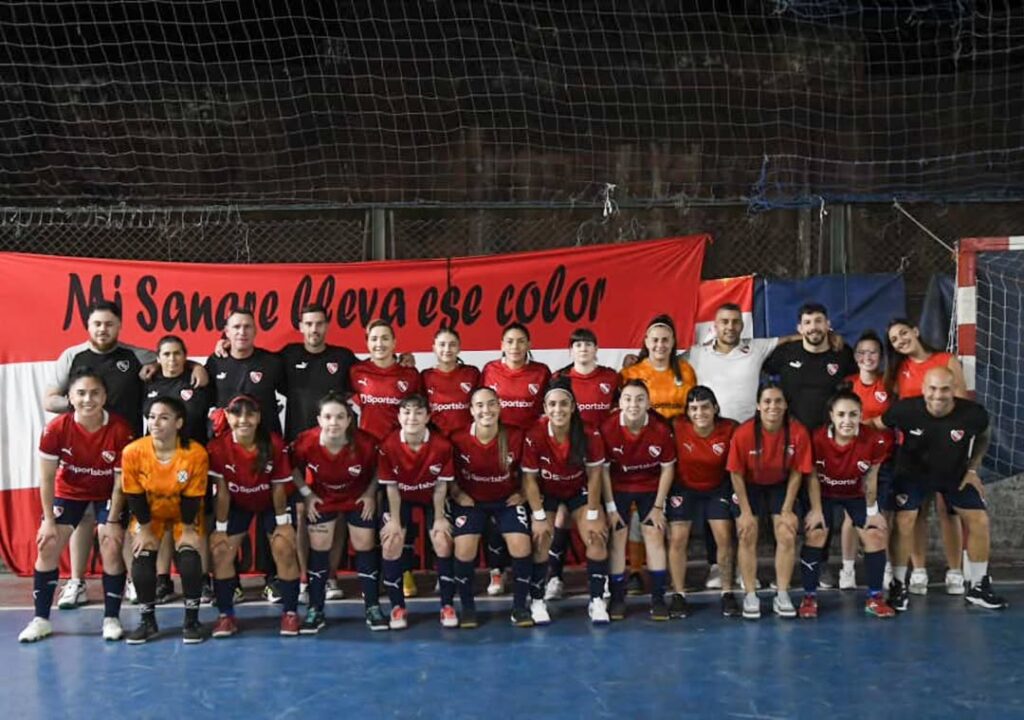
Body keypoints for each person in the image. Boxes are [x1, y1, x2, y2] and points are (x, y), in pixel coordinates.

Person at [43, 300, 202, 610]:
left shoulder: (135, 355)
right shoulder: (72, 356)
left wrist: (196, 367)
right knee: (85, 517)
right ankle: (77, 582)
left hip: (124, 451)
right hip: (83, 448)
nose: (103, 329)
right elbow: (50, 399)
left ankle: (133, 579)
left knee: (122, 518)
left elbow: (172, 360)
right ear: (88, 326)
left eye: (109, 324)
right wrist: (84, 405)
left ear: (119, 326)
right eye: (97, 324)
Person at [19, 370, 134, 643]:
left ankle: (111, 618)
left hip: (107, 493)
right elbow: (46, 478)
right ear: (69, 397)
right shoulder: (56, 429)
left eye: (95, 393)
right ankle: (41, 619)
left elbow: (120, 483)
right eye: (81, 393)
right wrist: (48, 519)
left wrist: (114, 520)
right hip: (69, 493)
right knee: (47, 544)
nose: (88, 399)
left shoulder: (120, 429)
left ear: (105, 397)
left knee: (111, 543)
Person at [882, 367, 1007, 611]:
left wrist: (973, 469)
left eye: (944, 389)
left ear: (954, 391)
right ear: (923, 389)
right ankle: (898, 584)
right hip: (912, 475)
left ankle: (979, 586)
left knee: (979, 519)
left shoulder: (972, 414)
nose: (938, 395)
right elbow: (877, 426)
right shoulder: (905, 410)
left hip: (955, 476)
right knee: (904, 519)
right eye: (932, 388)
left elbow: (983, 436)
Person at [762, 302, 855, 588]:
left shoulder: (842, 355)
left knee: (821, 506)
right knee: (786, 502)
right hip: (789, 441)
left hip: (827, 443)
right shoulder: (785, 354)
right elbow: (763, 369)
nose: (814, 327)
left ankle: (820, 562)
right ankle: (781, 564)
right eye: (808, 323)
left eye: (819, 321)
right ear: (799, 328)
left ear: (828, 324)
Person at [206, 395, 301, 637]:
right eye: (237, 414)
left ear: (258, 418)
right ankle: (226, 616)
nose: (243, 420)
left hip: (271, 502)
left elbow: (279, 487)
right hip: (238, 503)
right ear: (227, 416)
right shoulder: (217, 447)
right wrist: (219, 527)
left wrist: (283, 524)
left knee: (285, 548)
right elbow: (223, 492)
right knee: (220, 551)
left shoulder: (274, 443)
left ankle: (290, 613)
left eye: (250, 414)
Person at [885, 318, 968, 596]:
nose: (900, 341)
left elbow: (963, 405)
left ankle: (955, 570)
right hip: (913, 454)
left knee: (949, 510)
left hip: (948, 451)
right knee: (915, 511)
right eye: (895, 339)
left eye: (903, 333)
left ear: (916, 331)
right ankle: (918, 569)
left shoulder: (946, 360)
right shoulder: (898, 371)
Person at [289, 392, 384, 632]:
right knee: (319, 546)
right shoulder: (305, 441)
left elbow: (379, 470)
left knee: (364, 545)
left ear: (349, 419)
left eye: (340, 417)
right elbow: (292, 469)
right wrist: (307, 494)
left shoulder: (366, 442)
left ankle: (372, 607)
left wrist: (370, 493)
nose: (334, 422)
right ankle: (315, 609)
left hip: (357, 497)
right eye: (328, 417)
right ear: (319, 419)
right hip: (323, 499)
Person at [798, 390, 896, 619]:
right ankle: (809, 597)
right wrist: (816, 510)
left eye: (853, 415)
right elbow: (811, 476)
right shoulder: (816, 438)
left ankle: (875, 598)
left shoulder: (874, 439)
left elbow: (871, 477)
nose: (847, 421)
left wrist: (872, 512)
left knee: (876, 534)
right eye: (841, 414)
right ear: (831, 415)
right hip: (823, 493)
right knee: (816, 532)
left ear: (861, 415)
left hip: (855, 494)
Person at [121, 397, 210, 643]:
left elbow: (193, 497)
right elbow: (134, 494)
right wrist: (146, 530)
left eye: (163, 417)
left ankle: (191, 621)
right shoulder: (133, 451)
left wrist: (190, 529)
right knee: (142, 557)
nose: (155, 422)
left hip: (184, 513)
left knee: (190, 556)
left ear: (179, 422)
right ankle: (147, 621)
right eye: (151, 417)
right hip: (150, 514)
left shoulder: (195, 453)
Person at [522, 380, 611, 624]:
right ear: (545, 408)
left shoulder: (589, 432)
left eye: (563, 404)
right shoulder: (534, 434)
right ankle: (537, 600)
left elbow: (594, 474)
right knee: (540, 538)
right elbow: (529, 480)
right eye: (552, 404)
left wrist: (593, 512)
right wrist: (539, 516)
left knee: (596, 535)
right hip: (547, 492)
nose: (558, 409)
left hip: (578, 490)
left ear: (573, 407)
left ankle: (596, 600)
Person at [726, 381, 813, 620]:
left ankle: (782, 594)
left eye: (778, 401)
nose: (772, 406)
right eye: (767, 401)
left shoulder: (797, 432)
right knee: (746, 532)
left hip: (780, 485)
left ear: (785, 405)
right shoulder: (744, 433)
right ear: (758, 405)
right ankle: (750, 594)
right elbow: (735, 473)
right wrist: (744, 511)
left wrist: (787, 509)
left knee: (786, 532)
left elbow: (798, 472)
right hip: (749, 486)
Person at [544, 328, 619, 601]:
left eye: (588, 344)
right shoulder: (560, 378)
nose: (583, 349)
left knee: (601, 519)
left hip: (603, 459)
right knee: (561, 519)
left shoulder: (611, 378)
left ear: (596, 349)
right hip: (567, 461)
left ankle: (603, 578)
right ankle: (554, 577)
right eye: (578, 345)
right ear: (570, 350)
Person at [449, 387, 533, 628]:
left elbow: (528, 473)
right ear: (471, 410)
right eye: (480, 405)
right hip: (472, 502)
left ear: (499, 406)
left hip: (506, 501)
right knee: (464, 548)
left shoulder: (515, 435)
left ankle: (519, 607)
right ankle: (467, 607)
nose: (486, 410)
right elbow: (448, 475)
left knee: (521, 544)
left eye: (491, 404)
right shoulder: (457, 438)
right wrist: (458, 493)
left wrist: (523, 494)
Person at [480, 323, 551, 596]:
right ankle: (496, 571)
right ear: (501, 344)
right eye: (510, 341)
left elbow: (550, 406)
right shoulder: (489, 370)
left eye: (521, 341)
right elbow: (479, 404)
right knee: (495, 510)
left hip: (529, 450)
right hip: (496, 447)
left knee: (525, 510)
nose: (515, 346)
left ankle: (535, 575)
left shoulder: (541, 372)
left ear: (529, 344)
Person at [143, 335, 213, 604]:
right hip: (157, 461)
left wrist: (197, 366)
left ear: (185, 356)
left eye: (177, 354)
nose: (172, 359)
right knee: (164, 521)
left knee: (198, 522)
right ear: (157, 358)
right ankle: (163, 580)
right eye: (166, 354)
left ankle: (203, 580)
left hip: (194, 460)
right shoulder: (148, 382)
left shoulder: (198, 380)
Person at [379, 395, 458, 629]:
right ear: (399, 416)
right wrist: (394, 521)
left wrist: (440, 518)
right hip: (400, 498)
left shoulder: (442, 445)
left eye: (418, 412)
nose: (412, 418)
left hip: (431, 496)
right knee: (391, 541)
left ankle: (446, 605)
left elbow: (441, 486)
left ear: (428, 417)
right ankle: (397, 607)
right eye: (406, 412)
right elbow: (391, 488)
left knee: (443, 540)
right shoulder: (388, 445)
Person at [600, 379, 676, 621]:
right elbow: (601, 471)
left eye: (640, 399)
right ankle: (618, 598)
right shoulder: (608, 427)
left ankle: (658, 599)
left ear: (649, 403)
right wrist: (611, 508)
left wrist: (658, 507)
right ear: (620, 403)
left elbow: (668, 469)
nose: (634, 404)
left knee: (654, 534)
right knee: (618, 535)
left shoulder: (661, 428)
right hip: (618, 487)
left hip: (651, 487)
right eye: (628, 399)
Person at [669, 386, 741, 618]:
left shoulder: (730, 428)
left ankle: (727, 592)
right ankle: (678, 595)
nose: (700, 413)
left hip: (717, 488)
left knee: (723, 536)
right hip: (684, 488)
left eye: (705, 407)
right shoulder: (676, 426)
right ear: (687, 412)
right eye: (694, 408)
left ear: (715, 408)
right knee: (678, 538)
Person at [839, 330, 896, 590]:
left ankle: (885, 566)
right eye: (862, 352)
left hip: (884, 459)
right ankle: (847, 569)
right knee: (852, 516)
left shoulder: (889, 384)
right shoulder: (847, 384)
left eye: (873, 352)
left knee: (881, 515)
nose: (867, 357)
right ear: (855, 356)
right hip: (853, 461)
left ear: (881, 356)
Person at [620, 314, 696, 421]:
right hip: (646, 434)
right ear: (646, 341)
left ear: (673, 341)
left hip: (679, 434)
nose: (660, 345)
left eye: (665, 340)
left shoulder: (686, 371)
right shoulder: (630, 373)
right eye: (655, 340)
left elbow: (694, 408)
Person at [421, 327, 481, 437]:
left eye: (452, 344)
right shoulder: (425, 376)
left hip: (467, 439)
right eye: (442, 344)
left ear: (459, 348)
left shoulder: (472, 373)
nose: (447, 349)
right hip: (437, 440)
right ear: (434, 348)